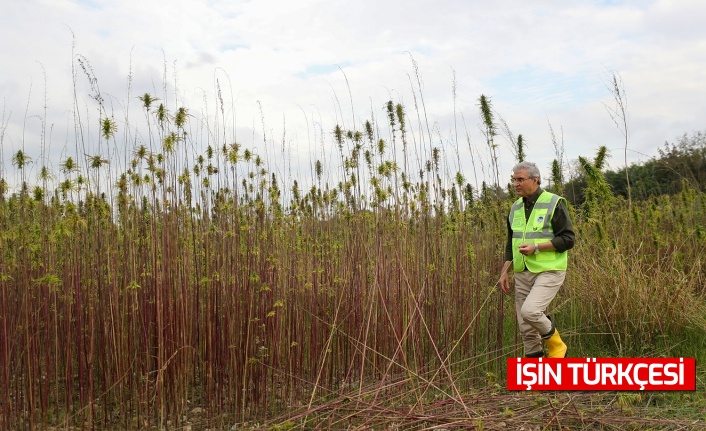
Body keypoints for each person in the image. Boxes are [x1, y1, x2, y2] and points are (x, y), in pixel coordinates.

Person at [498, 162, 575, 358]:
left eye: (520, 179)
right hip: (522, 271)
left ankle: (557, 346)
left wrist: (537, 247)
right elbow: (511, 243)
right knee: (526, 328)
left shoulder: (554, 202)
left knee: (531, 312)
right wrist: (504, 271)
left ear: (535, 180)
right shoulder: (515, 208)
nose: (516, 184)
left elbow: (568, 239)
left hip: (549, 269)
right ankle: (536, 380)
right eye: (514, 180)